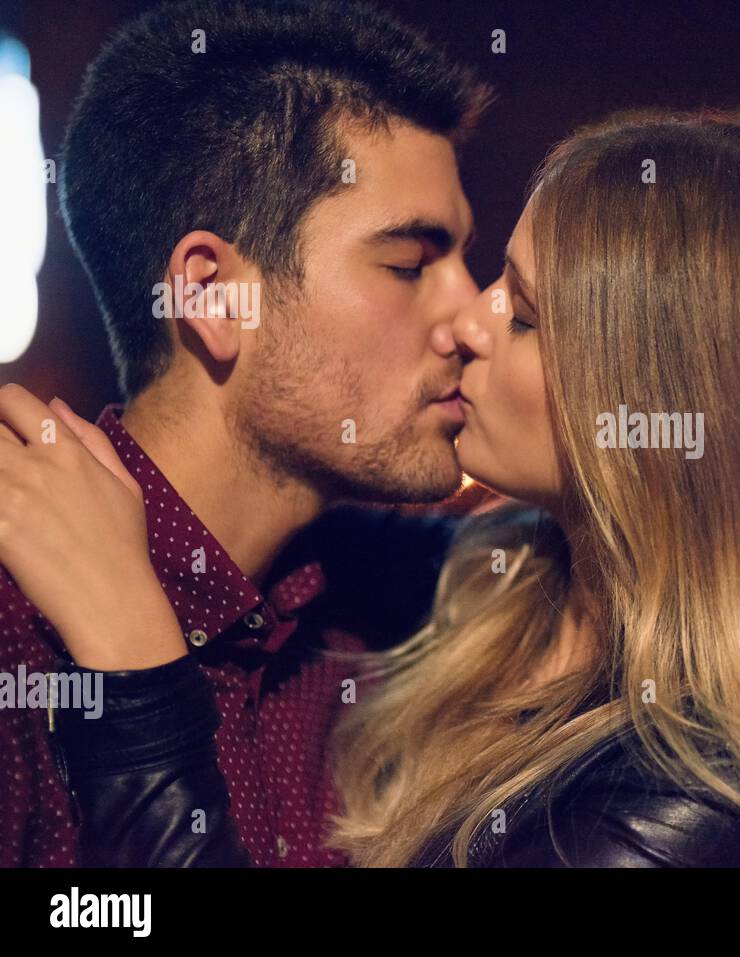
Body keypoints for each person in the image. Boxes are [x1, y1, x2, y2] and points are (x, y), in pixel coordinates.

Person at [2, 112, 740, 867]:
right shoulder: (490, 586)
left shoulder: (683, 817)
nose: (469, 319)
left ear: (660, 405)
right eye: (415, 264)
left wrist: (133, 662)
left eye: (528, 314)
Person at [0, 0, 493, 866]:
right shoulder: (19, 635)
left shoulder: (386, 614)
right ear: (215, 295)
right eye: (410, 265)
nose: (472, 314)